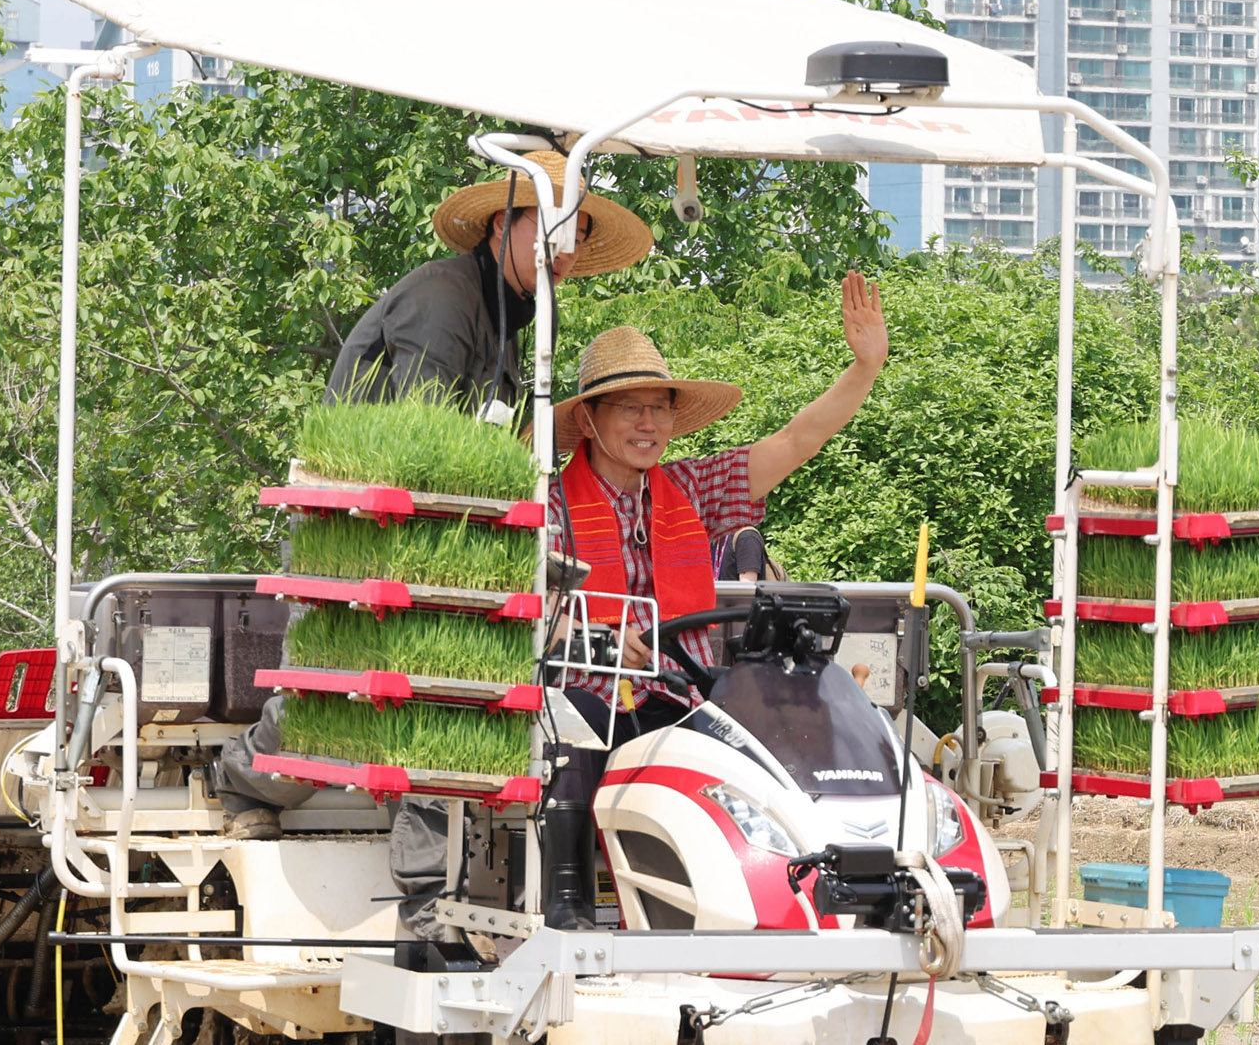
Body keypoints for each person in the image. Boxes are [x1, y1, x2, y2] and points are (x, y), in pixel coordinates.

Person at [210, 149, 650, 942]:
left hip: (446, 531)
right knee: (374, 690)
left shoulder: (519, 318)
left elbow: (487, 450)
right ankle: (409, 897)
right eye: (553, 226)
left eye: (579, 232)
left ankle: (406, 876)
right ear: (498, 226)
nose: (568, 247)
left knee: (427, 697)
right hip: (366, 525)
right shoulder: (445, 300)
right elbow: (422, 448)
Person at [536, 271, 888, 930]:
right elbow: (534, 613)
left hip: (679, 698)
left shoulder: (691, 487)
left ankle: (781, 910)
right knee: (573, 726)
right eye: (628, 407)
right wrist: (594, 638)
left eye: (659, 407)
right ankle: (569, 910)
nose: (648, 423)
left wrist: (864, 369)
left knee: (758, 742)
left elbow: (796, 442)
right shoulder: (552, 504)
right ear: (588, 418)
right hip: (590, 694)